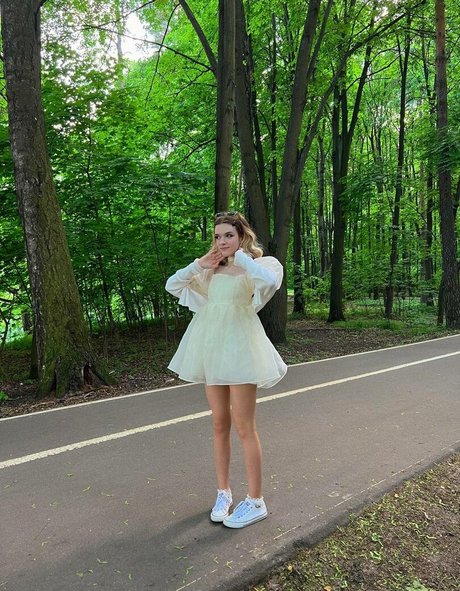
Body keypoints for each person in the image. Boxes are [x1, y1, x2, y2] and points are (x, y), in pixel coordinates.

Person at [165, 212, 287, 528]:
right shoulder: (210, 270)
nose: (222, 241)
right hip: (213, 350)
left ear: (242, 236)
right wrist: (199, 264)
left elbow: (269, 283)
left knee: (245, 426)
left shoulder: (261, 265)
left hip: (242, 350)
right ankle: (223, 492)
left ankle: (256, 501)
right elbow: (172, 284)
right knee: (219, 422)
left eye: (228, 235)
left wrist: (241, 257)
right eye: (218, 236)